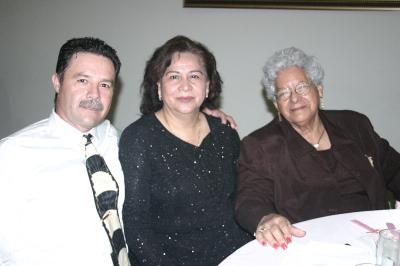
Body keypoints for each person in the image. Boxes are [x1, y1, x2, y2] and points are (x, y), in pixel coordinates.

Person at [234, 47, 400, 251]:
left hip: (373, 242)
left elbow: (395, 168)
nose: (294, 98)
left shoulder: (355, 125)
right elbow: (249, 199)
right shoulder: (260, 145)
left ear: (319, 90)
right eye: (283, 93)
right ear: (276, 104)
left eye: (302, 87)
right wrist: (265, 218)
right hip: (311, 249)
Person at [119, 35, 252, 266]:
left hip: (236, 255)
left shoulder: (225, 134)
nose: (185, 86)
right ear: (158, 87)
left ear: (208, 85)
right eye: (173, 76)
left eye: (195, 76)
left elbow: (241, 200)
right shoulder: (138, 139)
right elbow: (136, 228)